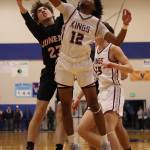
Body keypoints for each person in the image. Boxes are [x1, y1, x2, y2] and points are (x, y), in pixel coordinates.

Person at [48, 0, 131, 149]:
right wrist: (78, 97)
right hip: (69, 67)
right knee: (73, 114)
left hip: (99, 78)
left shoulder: (100, 29)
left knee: (104, 119)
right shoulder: (70, 11)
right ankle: (76, 143)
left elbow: (120, 46)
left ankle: (107, 144)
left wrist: (125, 25)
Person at [72, 22, 133, 150]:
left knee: (108, 128)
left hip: (114, 90)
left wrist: (114, 65)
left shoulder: (113, 48)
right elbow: (91, 79)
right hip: (101, 93)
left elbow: (130, 68)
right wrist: (78, 98)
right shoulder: (95, 51)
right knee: (83, 129)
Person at [16, 0, 67, 150]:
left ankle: (59, 147)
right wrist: (20, 5)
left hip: (65, 73)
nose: (43, 11)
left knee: (61, 113)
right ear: (37, 19)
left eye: (46, 9)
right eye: (39, 11)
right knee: (39, 111)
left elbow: (64, 6)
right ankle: (30, 146)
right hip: (49, 73)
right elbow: (27, 18)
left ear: (52, 12)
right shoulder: (39, 31)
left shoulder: (61, 22)